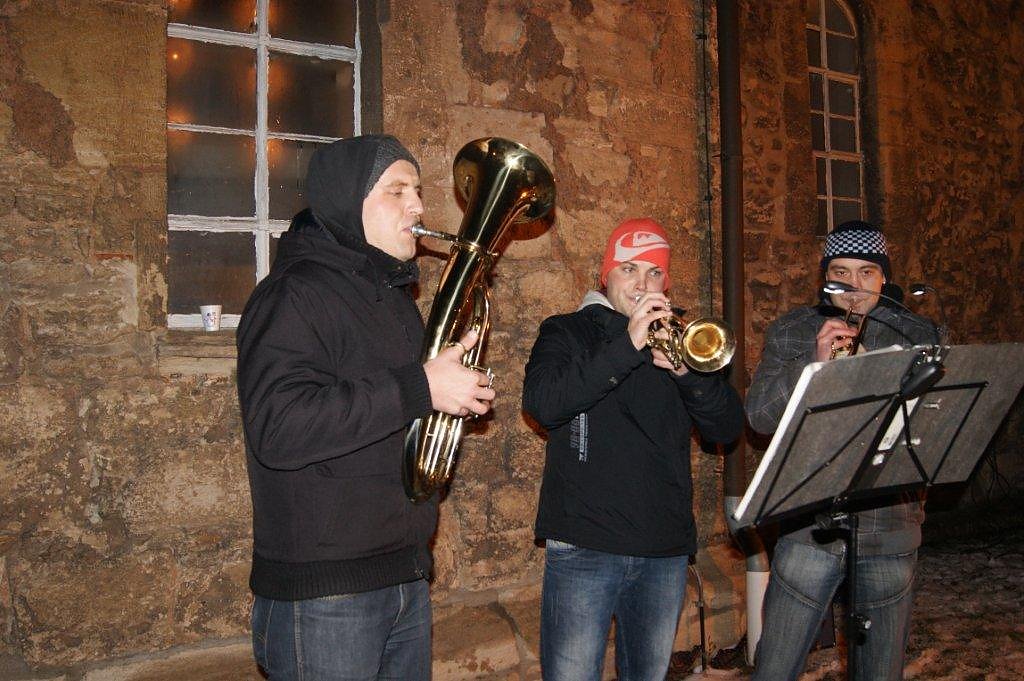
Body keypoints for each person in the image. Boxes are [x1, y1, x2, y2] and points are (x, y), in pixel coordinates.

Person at [236, 134, 496, 680]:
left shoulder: (396, 303)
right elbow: (278, 427)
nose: (418, 206)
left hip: (403, 575)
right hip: (326, 593)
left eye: (418, 191)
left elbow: (394, 412)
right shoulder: (293, 294)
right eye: (396, 191)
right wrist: (421, 387)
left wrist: (448, 398)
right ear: (346, 201)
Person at [521, 218, 744, 681]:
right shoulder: (565, 331)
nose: (643, 285)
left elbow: (726, 428)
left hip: (662, 548)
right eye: (629, 269)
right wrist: (626, 346)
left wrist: (687, 375)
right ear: (606, 274)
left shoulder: (684, 339)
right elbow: (543, 404)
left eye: (654, 272)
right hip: (584, 544)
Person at [746, 220, 939, 681]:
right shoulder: (793, 330)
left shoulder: (916, 333)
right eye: (841, 273)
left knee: (880, 670)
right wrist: (812, 366)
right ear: (825, 278)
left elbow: (937, 426)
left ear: (884, 278)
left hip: (888, 523)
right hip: (809, 525)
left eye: (866, 273)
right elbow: (759, 416)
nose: (854, 287)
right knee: (776, 665)